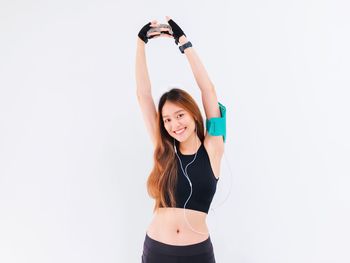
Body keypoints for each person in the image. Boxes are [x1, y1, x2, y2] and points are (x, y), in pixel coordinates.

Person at [136, 16, 226, 263]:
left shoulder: (213, 148)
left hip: (197, 254)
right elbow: (144, 96)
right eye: (167, 120)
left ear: (193, 115)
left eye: (179, 115)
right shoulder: (163, 148)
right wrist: (140, 44)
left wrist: (184, 44)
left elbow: (208, 90)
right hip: (157, 250)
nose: (174, 125)